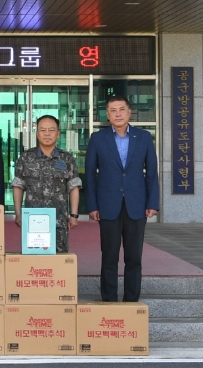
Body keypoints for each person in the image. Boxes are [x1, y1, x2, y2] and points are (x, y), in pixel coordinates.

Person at [85, 95, 160, 303]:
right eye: (112, 110)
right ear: (107, 115)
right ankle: (109, 300)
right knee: (109, 257)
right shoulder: (98, 139)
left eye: (121, 109)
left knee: (134, 258)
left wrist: (152, 203)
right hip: (108, 205)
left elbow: (152, 172)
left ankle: (131, 301)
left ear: (129, 112)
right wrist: (92, 205)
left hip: (137, 205)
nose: (117, 113)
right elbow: (90, 174)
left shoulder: (144, 137)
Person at [11, 115, 81, 253]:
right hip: (33, 219)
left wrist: (74, 215)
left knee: (59, 259)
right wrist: (18, 214)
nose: (47, 133)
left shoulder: (67, 159)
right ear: (37, 133)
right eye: (43, 130)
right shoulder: (26, 157)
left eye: (51, 130)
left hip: (58, 220)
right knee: (33, 259)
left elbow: (73, 188)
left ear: (58, 133)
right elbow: (18, 186)